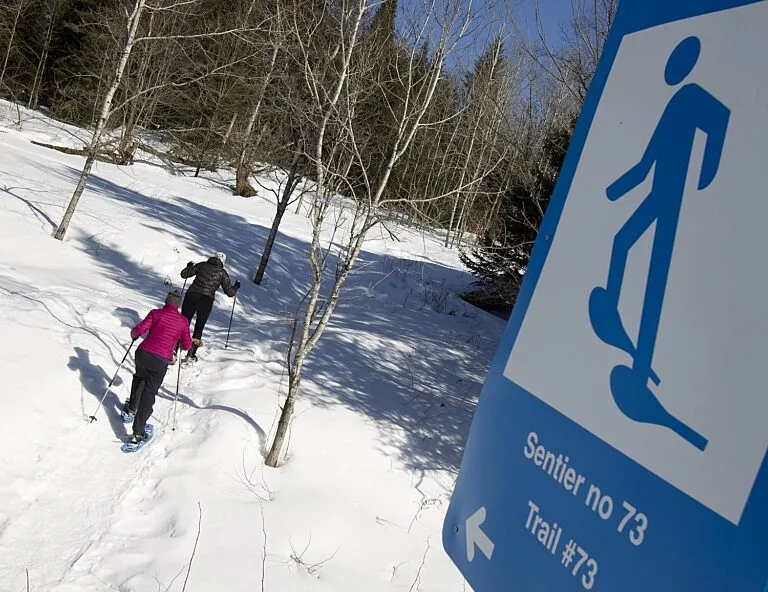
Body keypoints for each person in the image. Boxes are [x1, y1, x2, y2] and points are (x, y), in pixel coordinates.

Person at [124, 290, 192, 445]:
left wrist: (133, 334)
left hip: (142, 353)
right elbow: (187, 345)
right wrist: (180, 342)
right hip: (160, 360)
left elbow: (138, 330)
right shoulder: (183, 321)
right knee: (149, 392)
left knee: (139, 377)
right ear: (178, 305)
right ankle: (138, 433)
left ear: (166, 301)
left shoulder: (155, 313)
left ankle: (131, 409)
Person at [179, 251, 240, 362]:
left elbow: (184, 274)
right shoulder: (222, 273)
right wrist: (236, 287)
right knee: (199, 325)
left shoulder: (202, 265)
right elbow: (230, 292)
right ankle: (191, 354)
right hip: (206, 300)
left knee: (184, 321)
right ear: (223, 262)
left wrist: (189, 267)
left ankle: (174, 348)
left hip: (192, 295)